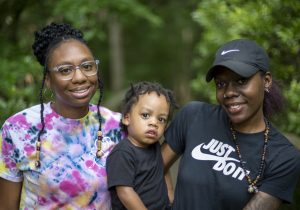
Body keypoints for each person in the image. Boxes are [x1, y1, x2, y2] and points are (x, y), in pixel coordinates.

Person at [162, 39, 300, 210]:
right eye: (221, 84)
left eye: (241, 81)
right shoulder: (194, 115)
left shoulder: (284, 157)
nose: (229, 92)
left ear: (266, 81)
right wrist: (168, 200)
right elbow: (151, 169)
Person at [0, 22, 124, 210]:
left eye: (87, 66)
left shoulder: (117, 126)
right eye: (65, 70)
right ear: (48, 80)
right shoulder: (19, 128)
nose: (80, 77)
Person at [106, 81, 177, 210]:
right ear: (127, 118)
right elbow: (125, 192)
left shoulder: (155, 146)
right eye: (145, 115)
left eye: (161, 119)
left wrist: (171, 198)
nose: (154, 123)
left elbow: (162, 169)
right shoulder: (123, 153)